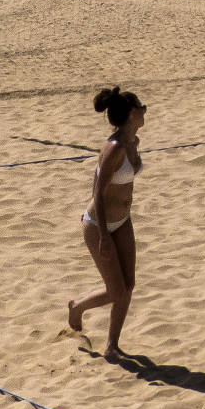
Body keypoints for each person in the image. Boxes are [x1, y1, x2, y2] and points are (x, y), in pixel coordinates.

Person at [69, 87, 146, 358]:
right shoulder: (113, 148)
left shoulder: (133, 143)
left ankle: (112, 345)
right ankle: (77, 307)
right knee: (115, 290)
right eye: (142, 107)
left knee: (128, 287)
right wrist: (103, 235)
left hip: (122, 220)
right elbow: (97, 193)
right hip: (98, 225)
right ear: (132, 113)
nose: (146, 111)